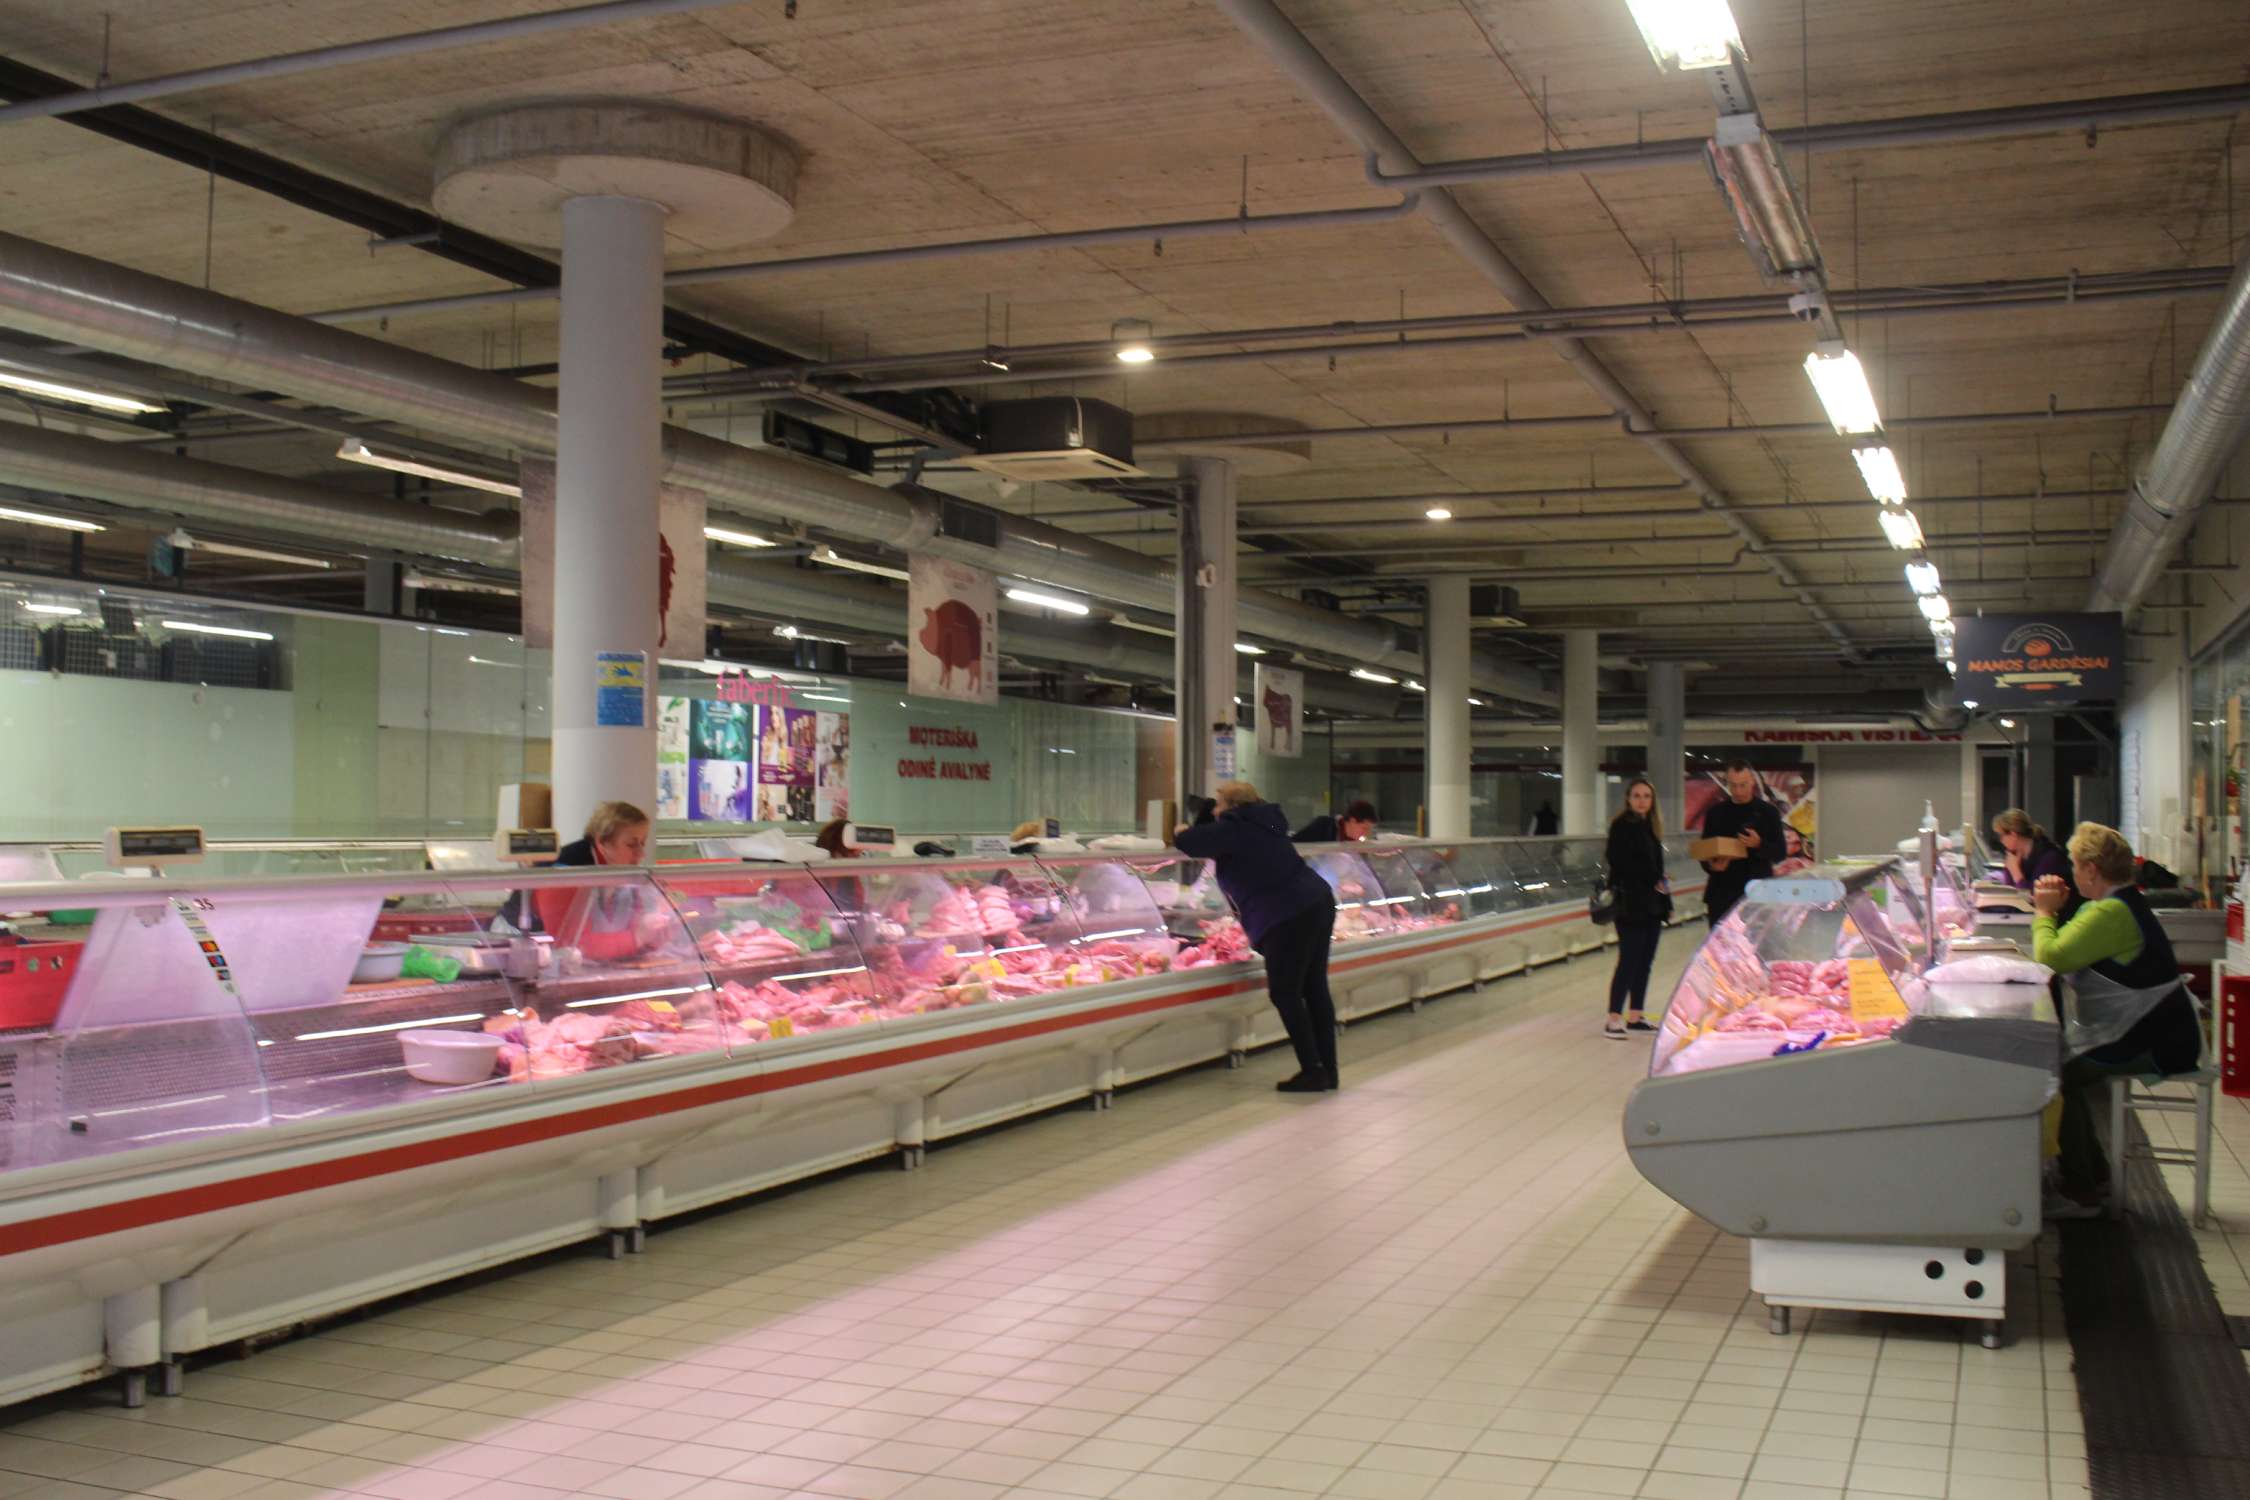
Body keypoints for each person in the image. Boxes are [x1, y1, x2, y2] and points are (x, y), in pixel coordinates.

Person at [2031, 822, 2204, 1217]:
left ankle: (2083, 1189)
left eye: (2075, 865)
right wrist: (2052, 916)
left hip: (2158, 1040)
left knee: (2058, 1075)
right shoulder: (2114, 904)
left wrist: (2043, 913)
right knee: (2062, 1069)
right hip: (2152, 1030)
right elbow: (2063, 948)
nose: (2072, 872)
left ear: (2092, 868)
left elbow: (2051, 956)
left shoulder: (2111, 911)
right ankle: (2093, 1175)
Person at [1175, 780, 1341, 1093]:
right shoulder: (1265, 821)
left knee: (1285, 992)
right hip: (1316, 901)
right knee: (1314, 987)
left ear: (1232, 807)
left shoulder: (1236, 827)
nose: (1217, 809)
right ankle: (1327, 1070)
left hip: (1286, 913)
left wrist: (1181, 827)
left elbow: (1191, 843)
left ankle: (1312, 1070)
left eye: (1220, 804)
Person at [530, 801, 674, 963]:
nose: (641, 854)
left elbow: (637, 924)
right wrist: (637, 937)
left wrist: (655, 935)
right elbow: (570, 945)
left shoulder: (620, 873)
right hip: (522, 962)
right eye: (631, 844)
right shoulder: (566, 871)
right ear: (602, 843)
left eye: (642, 843)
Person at [1603, 777, 1671, 1039]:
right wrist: (1651, 878)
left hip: (1651, 905)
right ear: (1628, 799)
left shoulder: (1651, 827)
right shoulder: (1622, 826)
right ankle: (1613, 1018)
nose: (1642, 801)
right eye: (1637, 796)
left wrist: (1666, 902)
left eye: (1647, 796)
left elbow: (1659, 871)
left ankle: (1635, 1015)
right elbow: (1619, 863)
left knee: (1645, 962)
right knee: (1629, 960)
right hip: (1630, 905)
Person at [1698, 760, 1786, 928]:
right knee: (1720, 948)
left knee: (1753, 948)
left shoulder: (1768, 812)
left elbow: (1780, 852)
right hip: (1722, 892)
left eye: (1743, 785)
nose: (1738, 791)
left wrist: (1759, 844)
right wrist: (1712, 865)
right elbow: (1704, 851)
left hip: (1757, 892)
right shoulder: (1715, 813)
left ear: (1753, 780)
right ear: (1727, 783)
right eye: (1733, 785)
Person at [1992, 808, 2080, 921]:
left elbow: (2032, 900)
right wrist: (2010, 869)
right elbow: (2012, 894)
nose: (2001, 841)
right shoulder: (2018, 857)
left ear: (2013, 835)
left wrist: (2016, 874)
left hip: (2059, 921)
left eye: (2001, 835)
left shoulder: (2049, 858)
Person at [1293, 800, 1377, 844]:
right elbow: (1295, 845)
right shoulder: (1323, 827)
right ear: (1352, 821)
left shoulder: (1356, 842)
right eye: (1364, 828)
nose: (1366, 833)